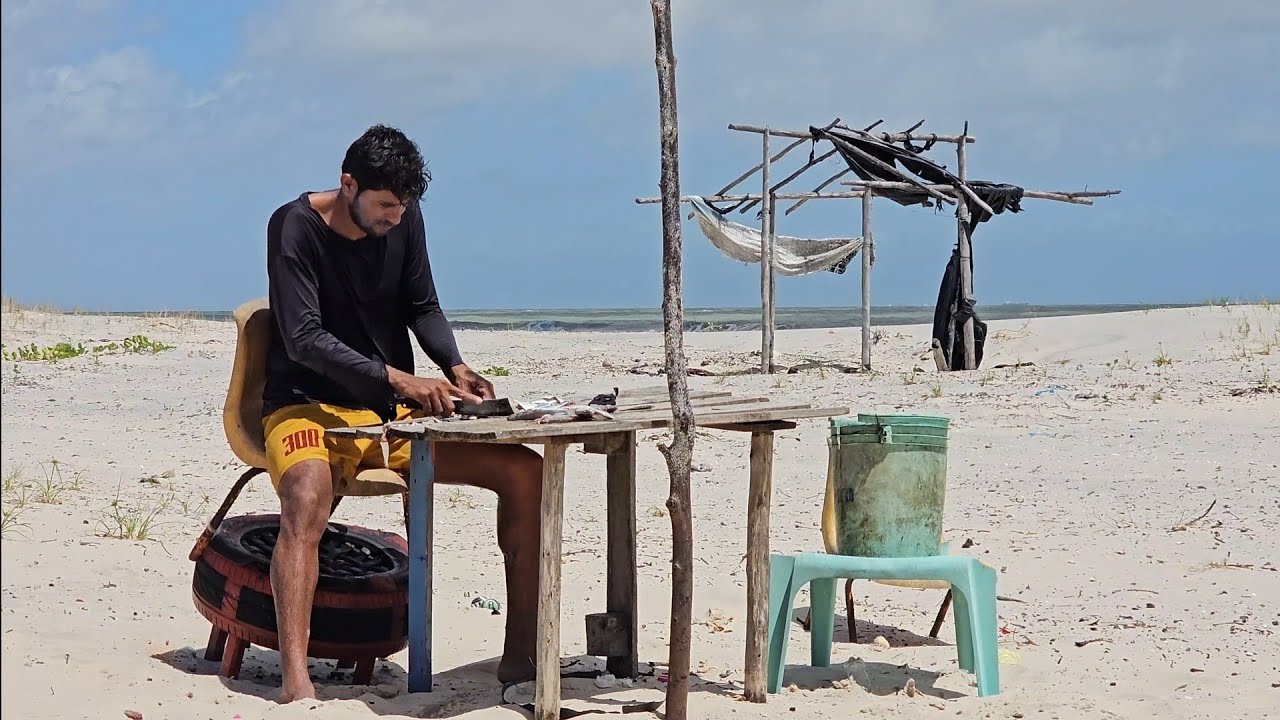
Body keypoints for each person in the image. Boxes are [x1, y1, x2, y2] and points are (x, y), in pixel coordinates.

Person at [261, 124, 542, 703]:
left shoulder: (404, 219)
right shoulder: (294, 228)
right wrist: (400, 378)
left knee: (525, 470)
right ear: (348, 185)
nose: (395, 217)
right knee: (308, 494)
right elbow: (303, 338)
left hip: (386, 416)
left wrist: (454, 364)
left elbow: (422, 304)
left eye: (404, 206)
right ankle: (295, 679)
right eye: (385, 204)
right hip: (302, 408)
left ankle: (521, 654)